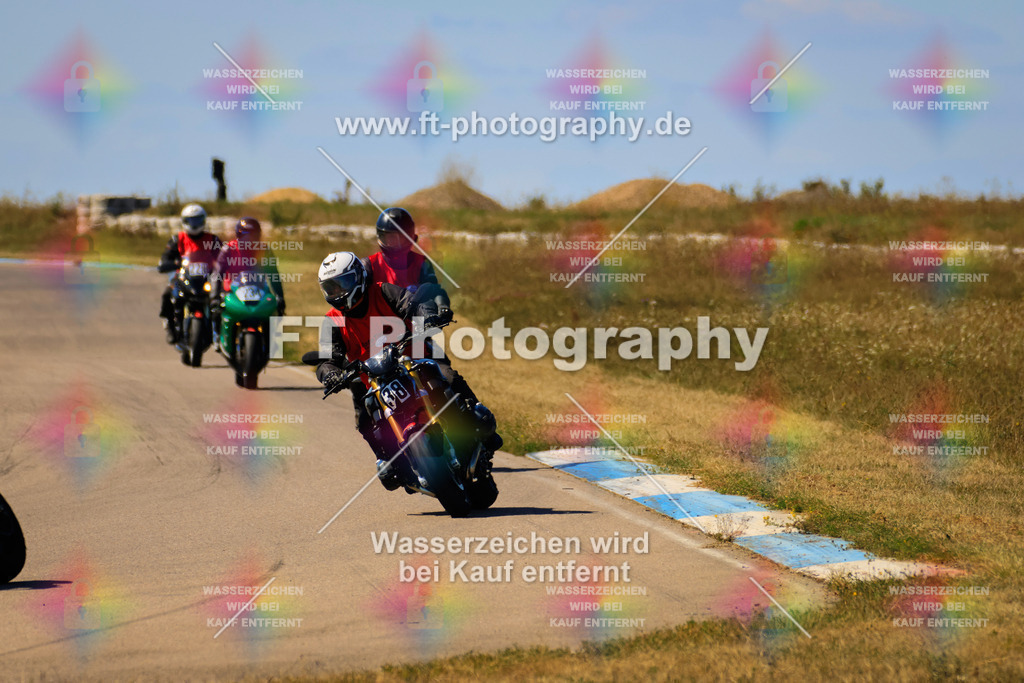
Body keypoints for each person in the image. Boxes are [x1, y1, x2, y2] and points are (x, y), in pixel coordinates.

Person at [312, 251, 501, 489]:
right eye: (331, 288)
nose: (338, 293)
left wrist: (428, 316)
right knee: (365, 417)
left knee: (444, 376)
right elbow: (327, 358)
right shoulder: (332, 320)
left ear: (359, 277)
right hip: (374, 379)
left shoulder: (381, 291)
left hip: (412, 358)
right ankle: (392, 463)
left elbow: (410, 303)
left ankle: (475, 422)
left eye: (342, 284)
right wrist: (330, 374)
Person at [211, 217, 286, 342]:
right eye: (245, 234)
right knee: (217, 308)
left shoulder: (264, 250)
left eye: (253, 235)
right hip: (232, 291)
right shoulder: (228, 249)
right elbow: (217, 274)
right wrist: (214, 296)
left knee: (274, 310)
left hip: (259, 290)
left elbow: (274, 275)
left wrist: (280, 296)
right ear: (238, 234)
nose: (249, 239)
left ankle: (271, 340)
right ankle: (217, 335)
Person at [158, 204, 222, 344]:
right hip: (182, 277)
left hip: (207, 278)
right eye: (191, 221)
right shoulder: (177, 239)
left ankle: (218, 332)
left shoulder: (213, 239)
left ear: (204, 221)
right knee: (167, 294)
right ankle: (170, 325)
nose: (194, 224)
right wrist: (173, 263)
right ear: (184, 221)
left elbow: (223, 258)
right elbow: (165, 259)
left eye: (198, 220)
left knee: (221, 299)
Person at [368, 207, 439, 292]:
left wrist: (441, 304)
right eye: (390, 237)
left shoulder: (422, 263)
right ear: (381, 237)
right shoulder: (369, 265)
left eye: (400, 238)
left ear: (410, 237)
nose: (394, 243)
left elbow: (434, 292)